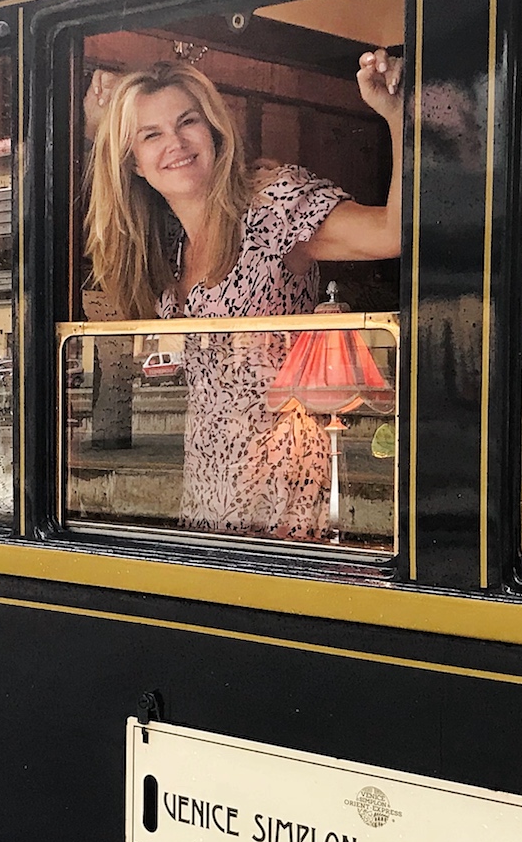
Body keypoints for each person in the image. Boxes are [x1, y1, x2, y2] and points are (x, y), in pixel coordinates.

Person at [83, 52, 405, 539]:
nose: (175, 143)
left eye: (187, 122)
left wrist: (398, 116)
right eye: (152, 134)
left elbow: (391, 233)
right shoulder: (169, 242)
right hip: (207, 476)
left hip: (282, 475)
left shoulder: (271, 204)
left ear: (214, 130)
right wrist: (94, 124)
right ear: (133, 162)